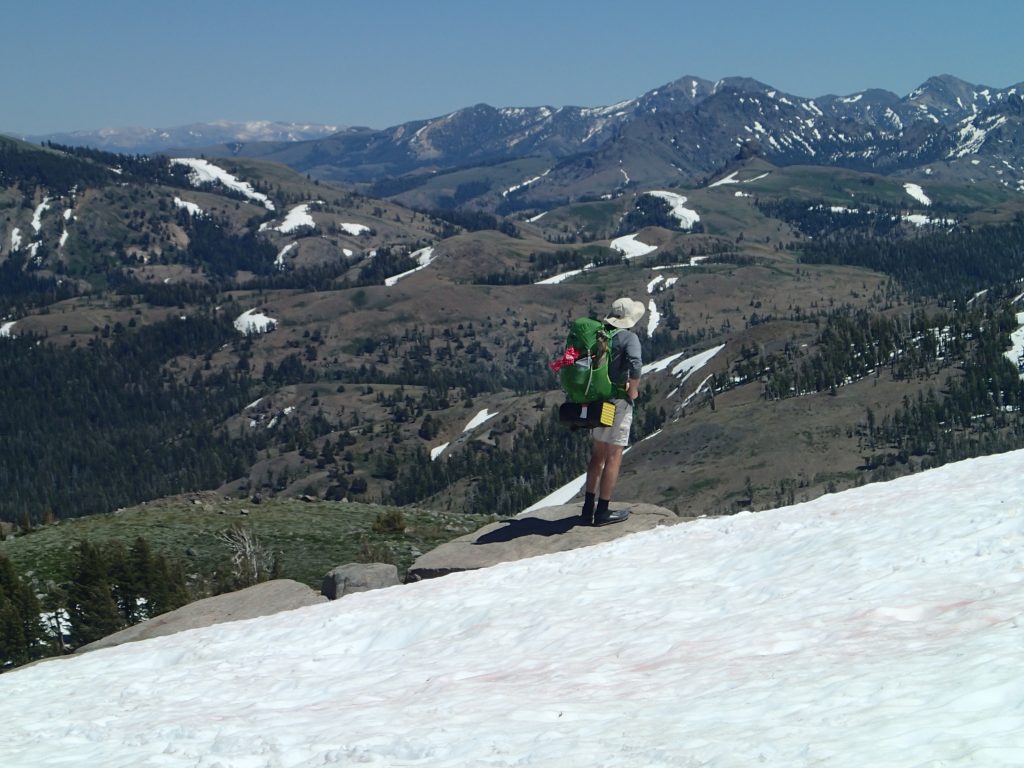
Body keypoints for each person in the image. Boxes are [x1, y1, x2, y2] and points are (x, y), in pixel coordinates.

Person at [581, 297, 645, 526]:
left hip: (599, 402)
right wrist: (633, 390)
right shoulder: (628, 338)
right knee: (614, 454)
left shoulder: (599, 335)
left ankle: (587, 508)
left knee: (598, 453)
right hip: (618, 402)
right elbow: (636, 365)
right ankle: (603, 511)